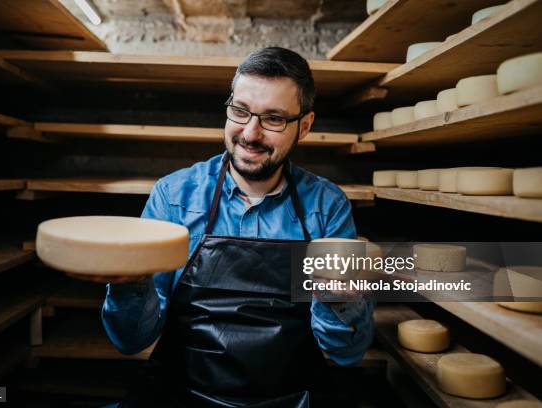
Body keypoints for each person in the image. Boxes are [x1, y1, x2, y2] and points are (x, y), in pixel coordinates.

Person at [101, 47, 375, 408]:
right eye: (240, 111)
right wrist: (129, 284)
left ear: (304, 127)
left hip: (292, 400)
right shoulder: (174, 197)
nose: (251, 133)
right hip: (182, 396)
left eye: (274, 118)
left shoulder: (326, 206)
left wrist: (340, 294)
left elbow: (345, 352)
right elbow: (130, 341)